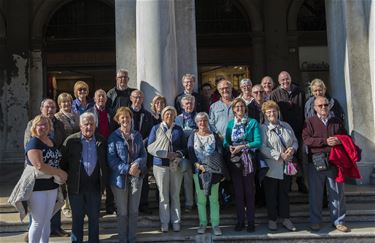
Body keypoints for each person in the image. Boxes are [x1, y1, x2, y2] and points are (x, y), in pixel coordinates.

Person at [9, 115, 67, 243]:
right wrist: (60, 172)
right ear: (34, 127)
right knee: (37, 222)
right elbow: (39, 165)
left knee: (46, 221)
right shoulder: (34, 142)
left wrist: (58, 175)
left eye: (45, 124)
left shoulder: (51, 141)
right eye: (39, 125)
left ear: (49, 127)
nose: (43, 127)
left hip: (51, 186)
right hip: (37, 188)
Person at [302, 96, 350, 233]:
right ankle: (315, 221)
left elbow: (346, 137)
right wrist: (325, 141)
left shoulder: (336, 121)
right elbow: (306, 139)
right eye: (320, 105)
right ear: (315, 108)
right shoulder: (309, 122)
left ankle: (339, 221)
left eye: (326, 104)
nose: (324, 107)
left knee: (337, 193)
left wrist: (339, 141)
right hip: (316, 162)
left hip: (335, 162)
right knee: (315, 194)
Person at [24, 98, 68, 239]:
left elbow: (61, 146)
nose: (50, 109)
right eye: (47, 107)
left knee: (48, 218)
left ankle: (54, 230)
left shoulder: (56, 129)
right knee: (37, 221)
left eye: (53, 107)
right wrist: (59, 172)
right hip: (38, 183)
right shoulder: (33, 136)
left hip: (52, 182)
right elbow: (36, 162)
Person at [61, 112, 108, 243]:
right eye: (86, 124)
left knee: (94, 218)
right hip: (76, 187)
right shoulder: (70, 141)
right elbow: (62, 163)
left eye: (91, 124)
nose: (89, 127)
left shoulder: (101, 141)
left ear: (95, 125)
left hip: (95, 187)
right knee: (77, 218)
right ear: (80, 126)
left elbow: (106, 164)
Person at [107, 107, 147, 243]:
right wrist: (128, 168)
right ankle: (123, 239)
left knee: (134, 211)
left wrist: (137, 164)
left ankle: (132, 238)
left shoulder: (137, 135)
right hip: (119, 180)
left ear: (131, 118)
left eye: (127, 116)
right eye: (122, 117)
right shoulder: (113, 137)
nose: (125, 119)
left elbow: (143, 154)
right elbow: (112, 160)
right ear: (118, 120)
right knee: (123, 212)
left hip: (136, 178)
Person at [187, 112, 229, 236]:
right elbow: (190, 153)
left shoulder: (214, 136)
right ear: (196, 123)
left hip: (213, 172)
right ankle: (203, 223)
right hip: (198, 171)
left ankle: (215, 225)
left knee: (214, 199)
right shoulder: (192, 136)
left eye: (204, 120)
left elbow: (220, 153)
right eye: (199, 121)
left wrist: (219, 170)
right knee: (201, 200)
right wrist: (198, 165)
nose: (202, 123)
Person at [223, 98, 262, 232]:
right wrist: (229, 147)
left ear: (245, 108)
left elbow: (258, 142)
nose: (239, 109)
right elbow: (225, 142)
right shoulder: (230, 124)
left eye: (242, 106)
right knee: (238, 192)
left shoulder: (252, 123)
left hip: (248, 159)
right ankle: (240, 221)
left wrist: (243, 146)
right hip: (235, 161)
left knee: (249, 192)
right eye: (237, 107)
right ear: (233, 109)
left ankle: (251, 221)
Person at [260, 101, 298, 231]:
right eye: (269, 112)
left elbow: (294, 141)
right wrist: (279, 155)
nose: (272, 113)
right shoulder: (263, 128)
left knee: (284, 194)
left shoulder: (286, 126)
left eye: (274, 111)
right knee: (271, 194)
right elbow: (262, 147)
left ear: (278, 112)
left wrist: (292, 149)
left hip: (286, 166)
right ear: (265, 114)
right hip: (272, 167)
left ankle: (286, 219)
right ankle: (272, 220)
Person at [147, 106, 186, 232]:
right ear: (163, 116)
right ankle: (164, 222)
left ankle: (176, 222)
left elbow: (184, 147)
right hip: (160, 165)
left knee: (175, 195)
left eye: (171, 114)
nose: (169, 116)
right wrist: (165, 154)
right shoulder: (156, 128)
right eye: (167, 114)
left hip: (175, 164)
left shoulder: (178, 129)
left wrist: (177, 154)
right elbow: (150, 147)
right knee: (163, 196)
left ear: (175, 116)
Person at [270, 71, 308, 193]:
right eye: (282, 80)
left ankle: (300, 181)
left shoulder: (300, 92)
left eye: (287, 79)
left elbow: (305, 110)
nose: (285, 82)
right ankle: (288, 182)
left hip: (299, 129)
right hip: (283, 132)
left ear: (290, 79)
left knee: (300, 156)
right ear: (279, 81)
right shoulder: (274, 94)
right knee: (286, 157)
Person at [86, 89, 115, 214]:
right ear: (94, 98)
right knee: (96, 177)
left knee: (109, 176)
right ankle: (95, 207)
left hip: (110, 148)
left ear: (106, 99)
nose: (101, 99)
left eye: (103, 96)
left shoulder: (111, 112)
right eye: (99, 96)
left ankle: (110, 206)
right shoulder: (89, 113)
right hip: (95, 147)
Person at [129, 90, 155, 214]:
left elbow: (151, 132)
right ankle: (130, 205)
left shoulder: (147, 115)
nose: (138, 99)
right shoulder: (126, 113)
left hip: (142, 150)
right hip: (127, 149)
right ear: (131, 98)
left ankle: (143, 204)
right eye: (135, 97)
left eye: (140, 97)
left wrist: (142, 143)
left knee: (143, 178)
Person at [55, 92, 80, 219]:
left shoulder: (76, 115)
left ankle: (74, 204)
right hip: (62, 153)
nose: (66, 104)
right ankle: (66, 206)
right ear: (59, 104)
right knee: (63, 181)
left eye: (68, 101)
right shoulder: (57, 117)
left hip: (75, 153)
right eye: (63, 102)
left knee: (73, 180)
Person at [175, 95, 196, 212]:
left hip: (198, 154)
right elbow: (179, 133)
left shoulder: (199, 116)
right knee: (187, 179)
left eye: (191, 103)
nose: (189, 105)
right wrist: (192, 131)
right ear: (182, 106)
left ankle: (199, 202)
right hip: (185, 153)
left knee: (198, 179)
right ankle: (189, 203)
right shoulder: (178, 118)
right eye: (186, 103)